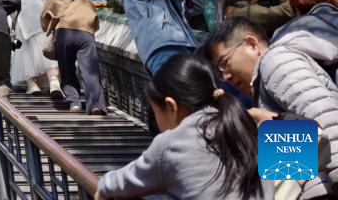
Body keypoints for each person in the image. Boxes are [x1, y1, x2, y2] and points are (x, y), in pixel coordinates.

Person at [95, 53, 267, 200]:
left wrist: (101, 189)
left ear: (171, 107)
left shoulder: (171, 145)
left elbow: (117, 183)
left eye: (155, 112)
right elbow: (291, 165)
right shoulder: (244, 125)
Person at [207, 16, 338, 198]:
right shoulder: (261, 89)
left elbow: (327, 118)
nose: (225, 77)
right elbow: (303, 155)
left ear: (251, 44)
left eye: (224, 63)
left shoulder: (275, 62)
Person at [41, 0, 105, 114]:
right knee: (90, 72)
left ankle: (74, 103)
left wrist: (50, 28)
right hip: (85, 34)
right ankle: (96, 105)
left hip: (63, 33)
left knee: (67, 71)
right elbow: (95, 19)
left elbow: (44, 19)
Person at [11, 0, 60, 97]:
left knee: (26, 55)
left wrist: (13, 23)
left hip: (24, 24)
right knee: (47, 53)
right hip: (43, 22)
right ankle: (54, 83)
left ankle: (32, 85)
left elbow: (12, 7)